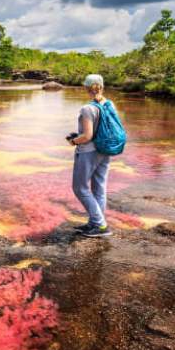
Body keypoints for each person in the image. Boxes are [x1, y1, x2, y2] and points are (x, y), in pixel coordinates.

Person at [67, 74, 113, 237]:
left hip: (88, 152)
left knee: (80, 188)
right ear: (102, 86)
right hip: (105, 150)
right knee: (99, 187)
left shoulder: (87, 109)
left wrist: (74, 141)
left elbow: (87, 136)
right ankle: (96, 222)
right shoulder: (109, 104)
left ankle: (100, 225)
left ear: (86, 88)